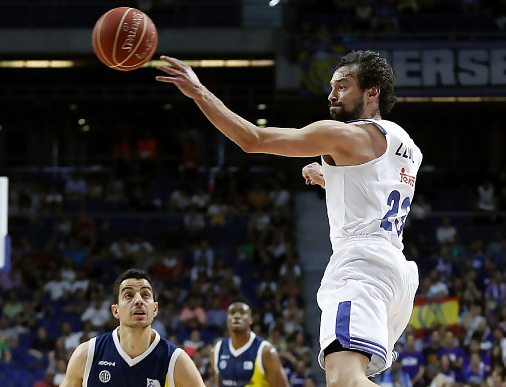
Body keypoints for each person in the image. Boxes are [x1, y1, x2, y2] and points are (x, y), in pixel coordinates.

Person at [157, 50, 422, 386]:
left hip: (361, 268)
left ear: (373, 92)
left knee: (344, 382)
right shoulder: (405, 144)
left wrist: (199, 92)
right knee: (343, 379)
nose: (332, 94)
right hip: (394, 272)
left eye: (343, 86)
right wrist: (331, 179)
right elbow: (375, 194)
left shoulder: (343, 135)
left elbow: (252, 140)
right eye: (332, 87)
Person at [60, 268, 205, 387]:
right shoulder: (87, 355)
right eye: (129, 295)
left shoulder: (175, 361)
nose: (138, 300)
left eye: (145, 294)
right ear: (115, 310)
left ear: (155, 309)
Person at [211, 297, 289, 387]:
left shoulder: (266, 352)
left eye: (242, 312)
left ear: (251, 319)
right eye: (232, 313)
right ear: (227, 319)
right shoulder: (216, 350)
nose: (236, 316)